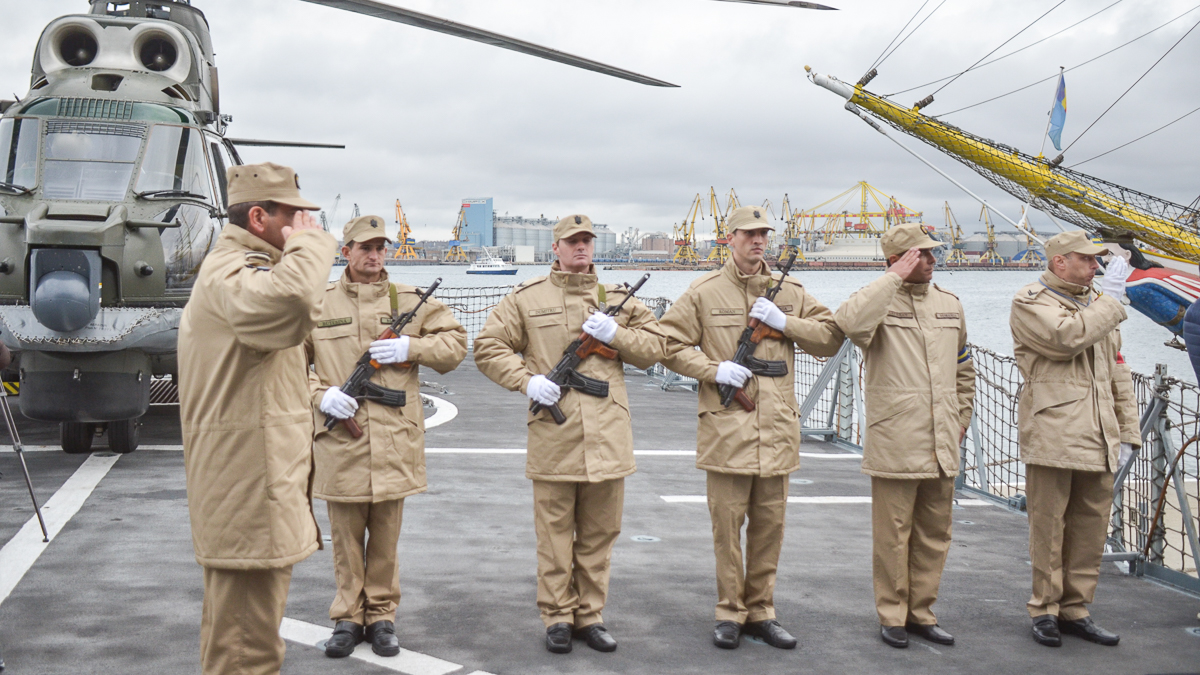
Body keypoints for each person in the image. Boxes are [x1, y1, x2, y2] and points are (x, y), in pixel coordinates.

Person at [474, 215, 665, 654]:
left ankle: (590, 615)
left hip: (608, 434)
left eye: (587, 241)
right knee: (555, 534)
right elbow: (488, 347)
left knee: (600, 533)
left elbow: (658, 348)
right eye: (572, 241)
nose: (581, 248)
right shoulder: (526, 298)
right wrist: (526, 381)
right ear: (555, 247)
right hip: (554, 434)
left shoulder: (617, 300)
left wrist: (618, 334)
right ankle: (558, 615)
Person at [658, 206, 844, 650]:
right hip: (727, 428)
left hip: (776, 429)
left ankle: (762, 610)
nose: (758, 241)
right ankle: (729, 611)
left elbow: (831, 337)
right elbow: (668, 343)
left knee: (769, 525)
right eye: (749, 234)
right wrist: (712, 369)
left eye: (763, 234)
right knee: (727, 527)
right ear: (730, 238)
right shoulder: (703, 291)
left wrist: (786, 323)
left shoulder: (791, 291)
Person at [179, 163, 337, 675]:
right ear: (258, 217)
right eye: (294, 215)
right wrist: (312, 247)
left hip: (255, 487)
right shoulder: (233, 271)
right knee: (245, 652)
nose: (305, 223)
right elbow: (290, 304)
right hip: (247, 491)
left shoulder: (242, 269)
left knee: (246, 640)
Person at [307, 215, 466, 658]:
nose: (374, 255)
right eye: (364, 247)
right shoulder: (316, 305)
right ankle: (346, 617)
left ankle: (381, 617)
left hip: (395, 440)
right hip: (342, 439)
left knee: (386, 537)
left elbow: (455, 346)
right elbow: (285, 369)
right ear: (346, 252)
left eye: (381, 247)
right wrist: (321, 395)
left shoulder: (409, 301)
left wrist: (410, 348)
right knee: (344, 538)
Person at [833, 224, 975, 649]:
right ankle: (892, 614)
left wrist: (961, 415)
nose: (931, 262)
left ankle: (922, 612)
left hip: (942, 434)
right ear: (896, 260)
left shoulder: (950, 304)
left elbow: (964, 368)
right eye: (921, 255)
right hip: (896, 435)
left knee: (935, 531)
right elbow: (847, 323)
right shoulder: (876, 301)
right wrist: (893, 277)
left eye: (933, 255)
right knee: (893, 533)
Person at [1009, 230, 1138, 648]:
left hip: (1100, 432)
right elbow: (1066, 339)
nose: (1095, 266)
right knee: (1048, 527)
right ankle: (1045, 609)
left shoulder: (1098, 304)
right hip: (1055, 429)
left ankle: (1076, 608)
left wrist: (1129, 429)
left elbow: (1117, 369)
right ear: (1059, 262)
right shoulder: (1031, 301)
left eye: (1097, 260)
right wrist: (1113, 301)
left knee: (1090, 527)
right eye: (1085, 260)